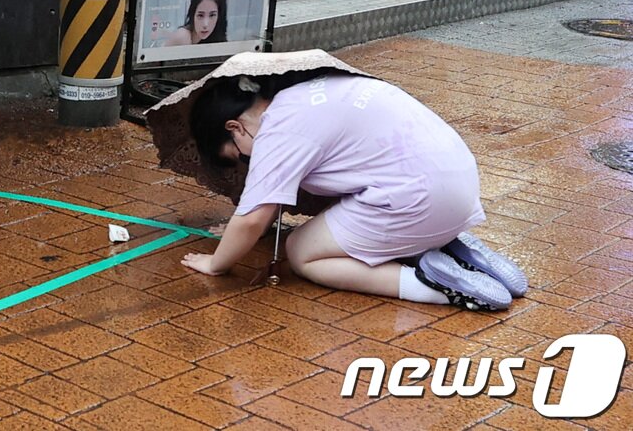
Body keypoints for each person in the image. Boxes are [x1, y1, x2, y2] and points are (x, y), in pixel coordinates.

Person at [179, 61, 528, 310]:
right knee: (343, 223)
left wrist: (217, 264)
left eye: (238, 156)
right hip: (456, 183)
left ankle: (437, 287)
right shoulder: (305, 93)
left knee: (303, 252)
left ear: (235, 128)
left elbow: (253, 218)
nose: (248, 162)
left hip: (420, 199)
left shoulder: (275, 130)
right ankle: (442, 247)